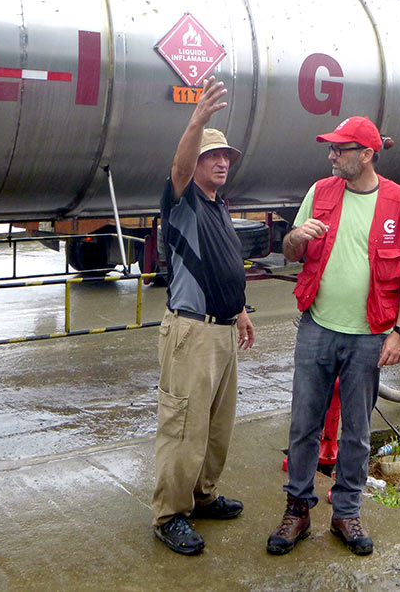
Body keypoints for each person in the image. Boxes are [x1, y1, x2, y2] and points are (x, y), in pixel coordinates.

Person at [266, 116, 400, 557]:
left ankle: (346, 513)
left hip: (370, 335)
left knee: (356, 431)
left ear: (367, 154)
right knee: (304, 425)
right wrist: (297, 236)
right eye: (331, 149)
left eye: (341, 149)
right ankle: (297, 509)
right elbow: (290, 251)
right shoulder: (320, 192)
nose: (332, 156)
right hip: (317, 327)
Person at [151, 76, 255, 556]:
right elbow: (177, 167)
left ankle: (202, 495)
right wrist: (197, 121)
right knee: (183, 427)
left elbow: (222, 264)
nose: (221, 162)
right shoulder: (183, 201)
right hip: (191, 332)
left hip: (224, 330)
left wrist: (241, 311)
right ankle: (169, 514)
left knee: (216, 426)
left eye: (226, 156)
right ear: (194, 162)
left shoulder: (218, 206)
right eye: (212, 156)